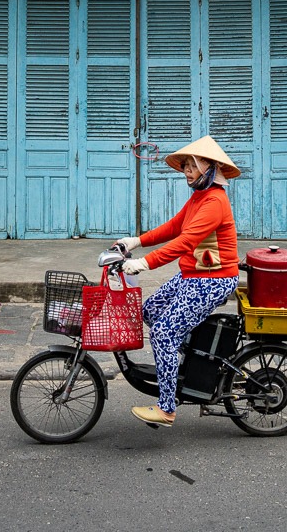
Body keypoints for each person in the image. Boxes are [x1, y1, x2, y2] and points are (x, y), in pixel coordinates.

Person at [116, 135, 240, 428]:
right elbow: (174, 226)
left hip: (213, 280)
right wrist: (136, 241)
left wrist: (144, 263)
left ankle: (167, 408)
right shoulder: (199, 197)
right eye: (185, 165)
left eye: (192, 165)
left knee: (163, 334)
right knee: (149, 311)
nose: (186, 170)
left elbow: (186, 241)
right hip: (194, 275)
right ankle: (189, 362)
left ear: (209, 168)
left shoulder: (215, 202)